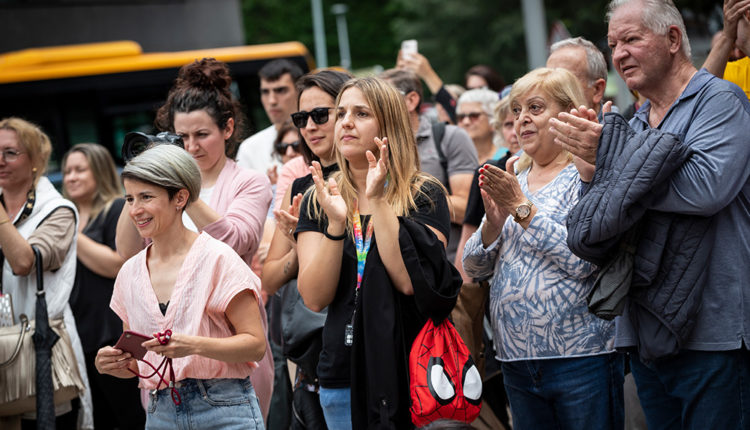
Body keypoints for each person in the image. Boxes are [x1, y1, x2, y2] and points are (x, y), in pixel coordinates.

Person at [553, 0, 750, 428]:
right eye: (613, 45)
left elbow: (705, 189)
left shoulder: (720, 101)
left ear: (673, 39)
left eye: (631, 39)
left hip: (713, 336)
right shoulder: (635, 122)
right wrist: (591, 172)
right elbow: (601, 222)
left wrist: (613, 162)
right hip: (647, 336)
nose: (619, 54)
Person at [296, 76, 461, 428]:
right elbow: (313, 297)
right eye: (341, 113)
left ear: (389, 126)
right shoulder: (319, 196)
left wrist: (378, 200)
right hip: (341, 372)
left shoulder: (423, 193)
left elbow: (408, 281)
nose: (346, 123)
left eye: (361, 113)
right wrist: (336, 224)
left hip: (408, 370)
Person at [462, 68, 622, 430]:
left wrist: (521, 208)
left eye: (535, 108)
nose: (522, 119)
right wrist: (493, 225)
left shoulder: (587, 175)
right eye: (517, 110)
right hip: (516, 361)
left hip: (581, 358)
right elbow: (473, 268)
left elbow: (583, 262)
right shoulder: (513, 178)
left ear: (567, 113)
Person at [115, 57, 274, 419]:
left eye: (202, 135)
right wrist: (143, 177)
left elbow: (236, 242)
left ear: (228, 128)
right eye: (181, 137)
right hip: (166, 373)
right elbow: (127, 250)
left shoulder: (248, 182)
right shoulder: (155, 187)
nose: (191, 147)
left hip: (229, 365)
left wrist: (184, 187)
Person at [95, 144, 267, 429]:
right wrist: (114, 364)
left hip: (225, 408)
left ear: (180, 197)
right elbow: (139, 362)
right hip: (160, 412)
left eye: (146, 197)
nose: (135, 210)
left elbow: (255, 345)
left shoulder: (218, 258)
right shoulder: (130, 273)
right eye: (130, 199)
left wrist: (194, 345)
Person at [261, 69, 352, 430]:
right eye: (301, 118)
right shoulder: (299, 186)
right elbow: (270, 278)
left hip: (366, 338)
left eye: (320, 115)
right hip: (316, 348)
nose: (310, 126)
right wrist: (301, 247)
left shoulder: (369, 178)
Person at [0, 118, 93, 429]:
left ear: (36, 160)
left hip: (40, 353)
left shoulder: (58, 211)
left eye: (10, 152)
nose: (0, 160)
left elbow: (23, 262)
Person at [63, 143, 144, 429]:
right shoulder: (67, 216)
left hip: (109, 329)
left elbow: (118, 264)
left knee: (129, 415)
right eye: (67, 171)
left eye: (80, 170)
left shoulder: (116, 209)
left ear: (99, 171)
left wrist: (72, 232)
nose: (71, 177)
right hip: (77, 332)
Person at [380, 68, 478, 262]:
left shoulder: (449, 137)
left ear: (411, 100)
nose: (376, 106)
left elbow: (466, 209)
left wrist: (400, 196)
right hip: (390, 265)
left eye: (384, 99)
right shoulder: (373, 147)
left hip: (445, 265)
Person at [236, 59, 305, 175]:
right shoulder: (250, 148)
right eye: (265, 92)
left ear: (300, 91)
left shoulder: (317, 136)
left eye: (280, 90)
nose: (272, 100)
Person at [546, 37, 610, 116]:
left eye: (565, 80)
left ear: (597, 90)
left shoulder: (618, 123)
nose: (551, 91)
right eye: (548, 80)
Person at [703, 0, 750, 99]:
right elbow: (699, 97)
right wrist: (728, 36)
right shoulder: (732, 71)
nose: (737, 53)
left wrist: (747, 43)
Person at [456, 88, 502, 164]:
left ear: (493, 119)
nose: (466, 122)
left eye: (474, 116)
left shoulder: (508, 156)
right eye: (461, 117)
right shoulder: (454, 158)